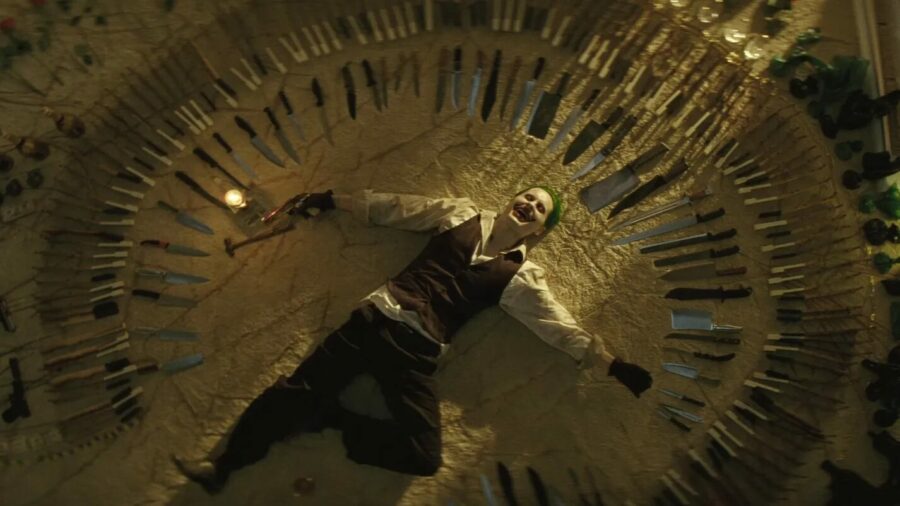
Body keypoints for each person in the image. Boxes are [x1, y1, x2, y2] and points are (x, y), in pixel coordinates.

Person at [174, 186, 652, 494]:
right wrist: (334, 198)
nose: (529, 205)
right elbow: (397, 207)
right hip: (372, 322)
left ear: (541, 228)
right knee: (292, 392)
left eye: (539, 209)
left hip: (416, 354)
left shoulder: (521, 276)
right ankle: (225, 466)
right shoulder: (461, 213)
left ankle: (332, 419)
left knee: (423, 456)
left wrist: (610, 364)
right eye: (527, 196)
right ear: (513, 199)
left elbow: (554, 322)